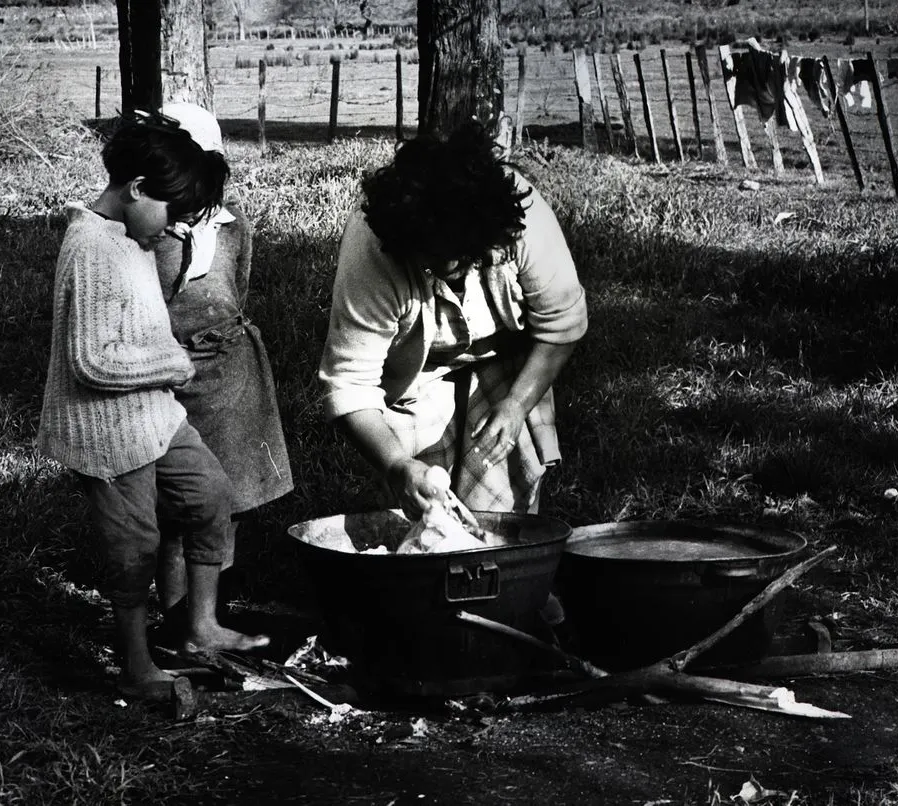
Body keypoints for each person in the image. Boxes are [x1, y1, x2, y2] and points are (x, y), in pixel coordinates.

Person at [36, 110, 268, 701]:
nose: (171, 228)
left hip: (156, 415)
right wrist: (173, 365)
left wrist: (166, 362)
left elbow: (146, 325)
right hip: (106, 429)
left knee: (211, 495)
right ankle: (138, 668)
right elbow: (92, 361)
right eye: (170, 212)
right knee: (134, 545)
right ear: (138, 189)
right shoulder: (91, 247)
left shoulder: (132, 235)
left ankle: (201, 627)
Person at [318, 121, 588, 519]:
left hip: (507, 360)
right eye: (431, 256)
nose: (447, 266)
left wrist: (516, 405)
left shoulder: (522, 220)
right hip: (413, 373)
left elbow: (561, 324)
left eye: (461, 255)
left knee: (501, 512)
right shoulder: (373, 245)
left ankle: (503, 568)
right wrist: (397, 466)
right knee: (420, 504)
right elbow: (350, 382)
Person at [151, 102, 293, 640]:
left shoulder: (235, 230)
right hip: (167, 375)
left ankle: (208, 615)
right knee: (173, 505)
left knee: (225, 497)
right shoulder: (142, 235)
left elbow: (237, 294)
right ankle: (173, 618)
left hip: (229, 379)